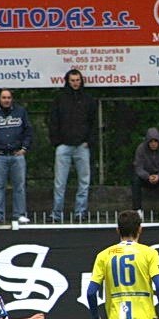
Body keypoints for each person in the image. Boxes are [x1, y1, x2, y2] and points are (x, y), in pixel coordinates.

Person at [49, 68, 97, 223]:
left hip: (82, 146)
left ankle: (80, 213)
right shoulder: (60, 99)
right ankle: (57, 214)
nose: (75, 83)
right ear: (67, 81)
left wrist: (88, 141)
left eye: (78, 80)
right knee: (60, 182)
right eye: (72, 80)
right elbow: (53, 121)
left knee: (84, 181)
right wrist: (57, 141)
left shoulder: (88, 99)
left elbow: (93, 122)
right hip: (63, 146)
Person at [0, 89, 33, 225]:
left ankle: (20, 214)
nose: (6, 100)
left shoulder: (20, 112)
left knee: (19, 186)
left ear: (12, 99)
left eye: (9, 97)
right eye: (4, 97)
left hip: (17, 155)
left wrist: (24, 148)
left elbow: (28, 131)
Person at [131, 127, 159, 219]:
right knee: (135, 180)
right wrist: (147, 176)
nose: (153, 144)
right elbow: (138, 167)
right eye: (151, 142)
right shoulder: (141, 149)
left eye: (155, 141)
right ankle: (138, 210)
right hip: (146, 178)